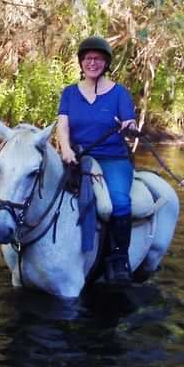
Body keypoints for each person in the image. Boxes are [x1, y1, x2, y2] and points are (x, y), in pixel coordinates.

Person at [56, 36, 137, 284]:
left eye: (98, 59)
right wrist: (66, 150)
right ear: (81, 62)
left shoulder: (119, 92)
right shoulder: (69, 93)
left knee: (120, 202)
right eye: (88, 58)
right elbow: (62, 126)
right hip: (79, 155)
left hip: (113, 157)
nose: (93, 63)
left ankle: (118, 259)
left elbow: (130, 124)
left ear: (106, 63)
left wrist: (128, 127)